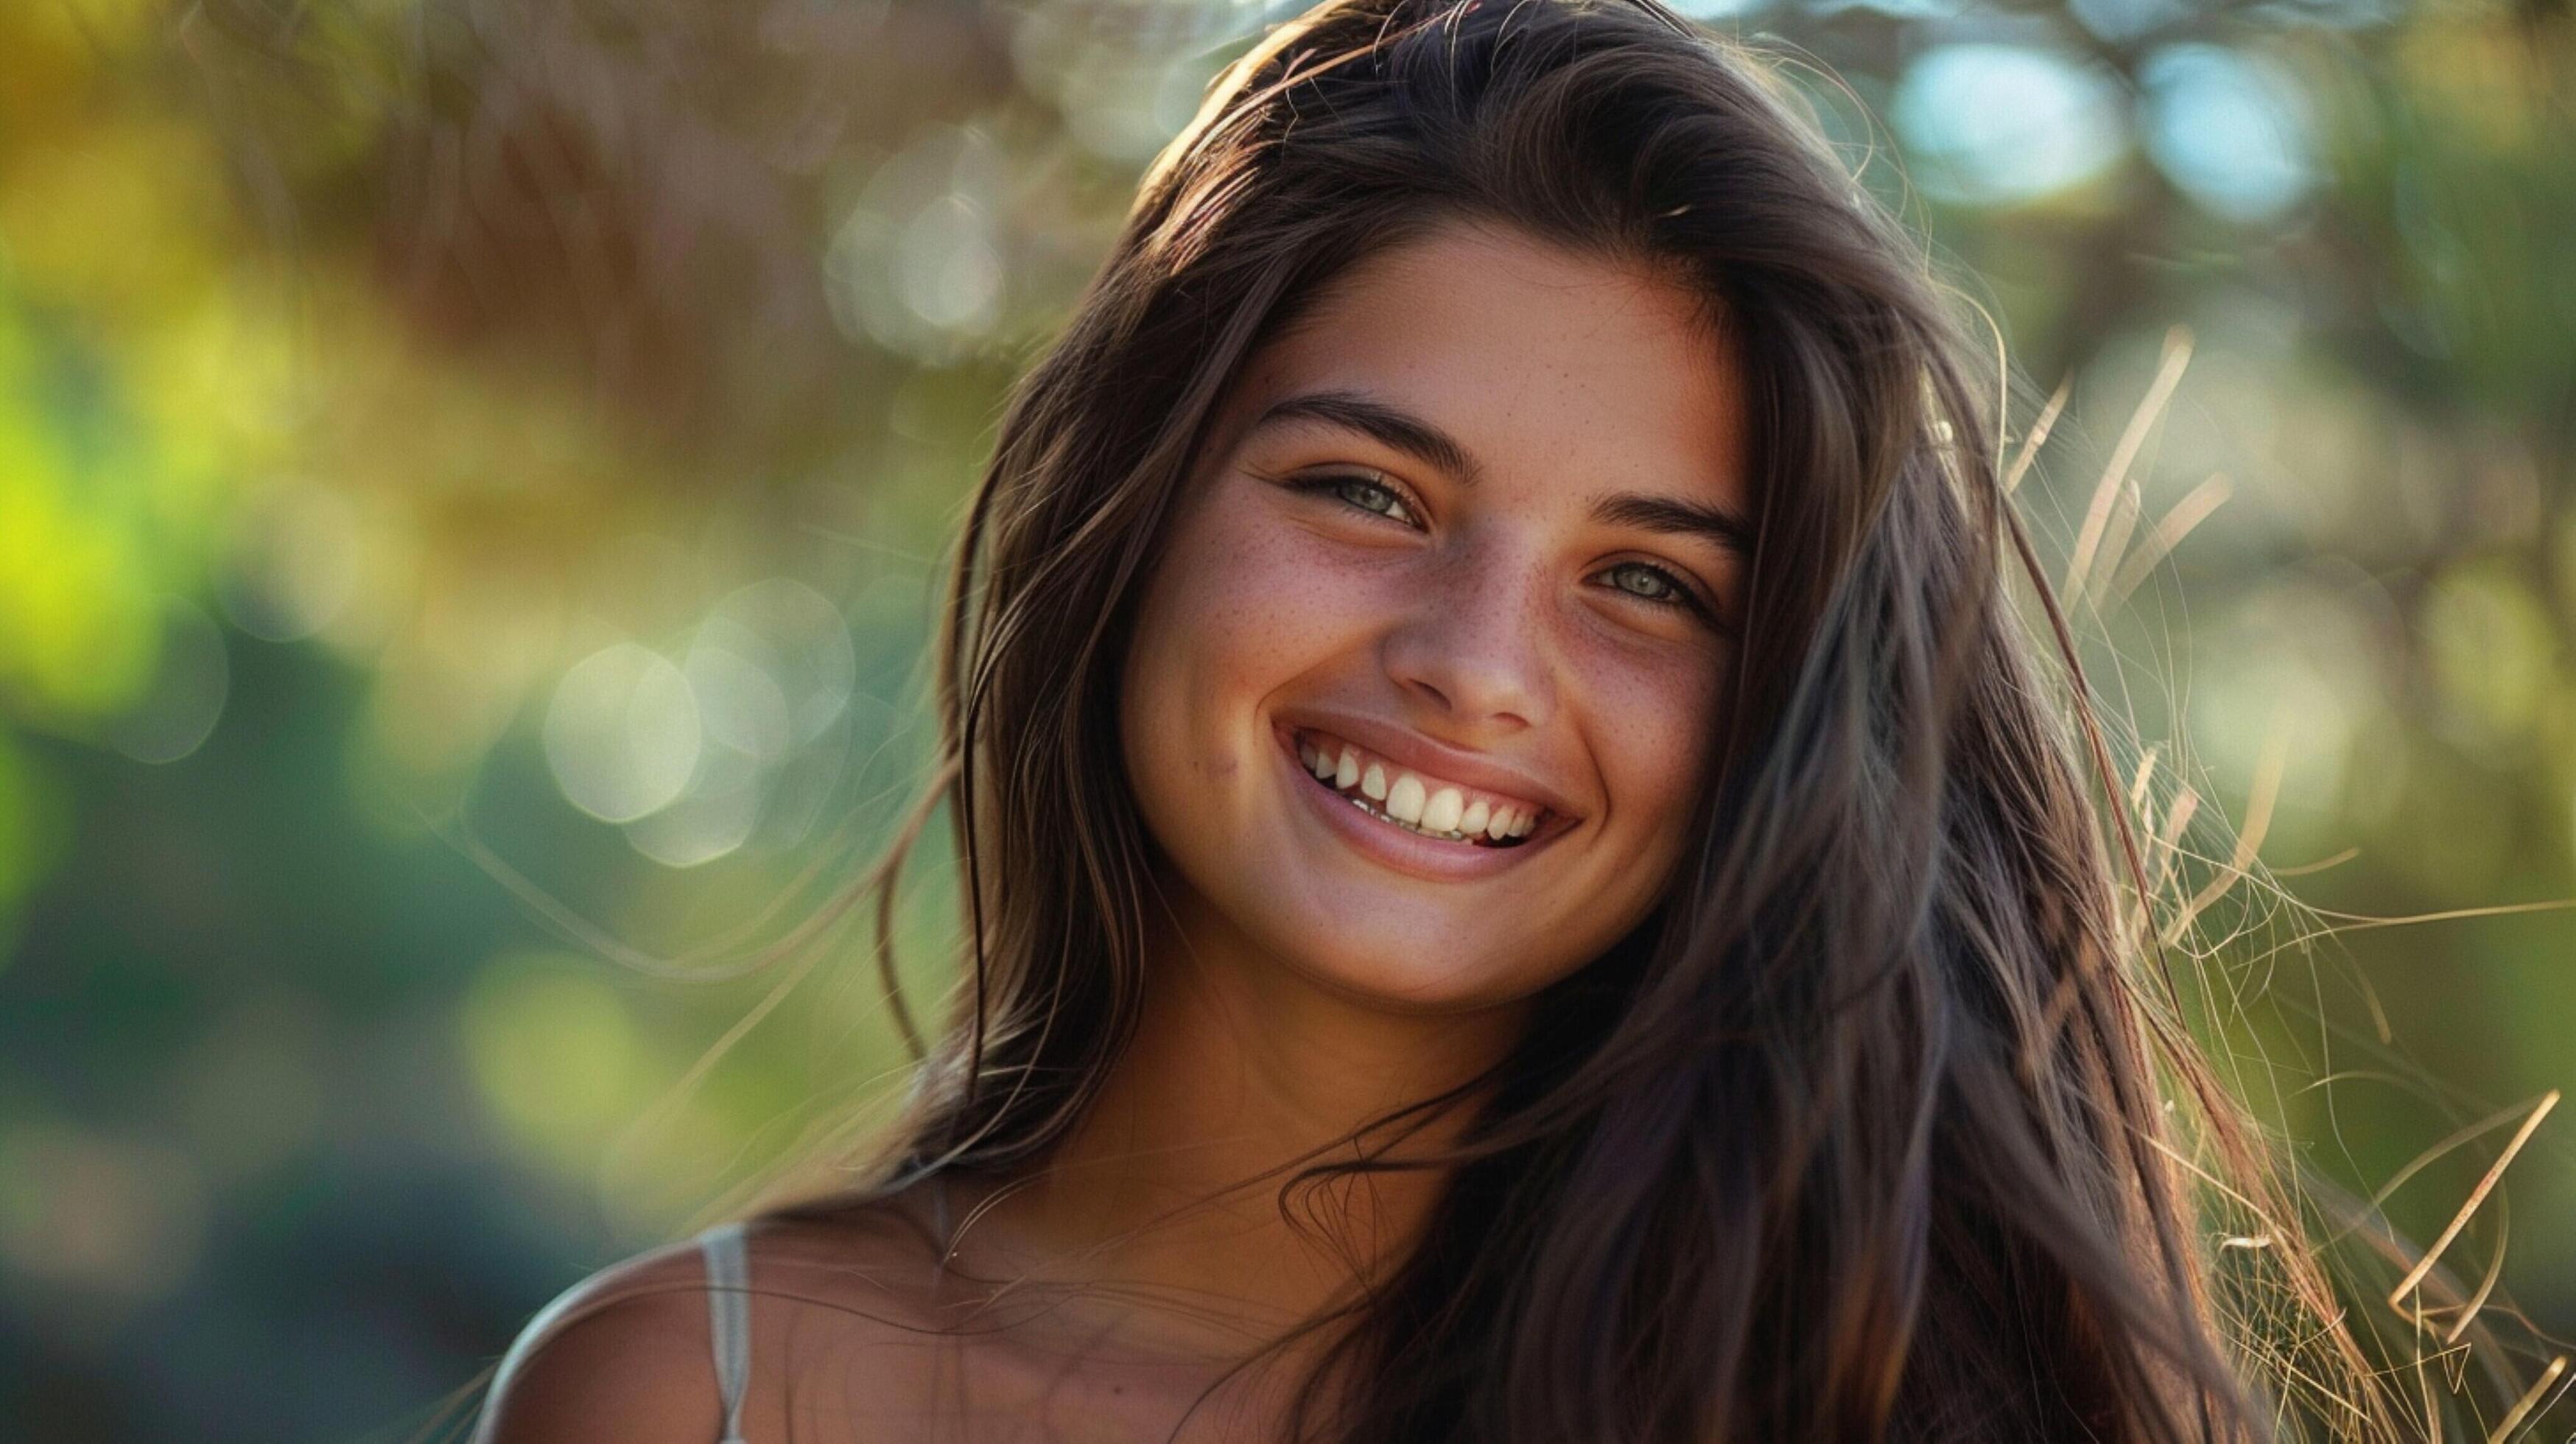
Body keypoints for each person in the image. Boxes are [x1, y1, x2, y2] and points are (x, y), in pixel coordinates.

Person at [471, 0, 2402, 1437]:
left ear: (1776, 719)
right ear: (1135, 513)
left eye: (1648, 584)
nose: (1476, 663)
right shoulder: (698, 1394)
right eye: (1366, 494)